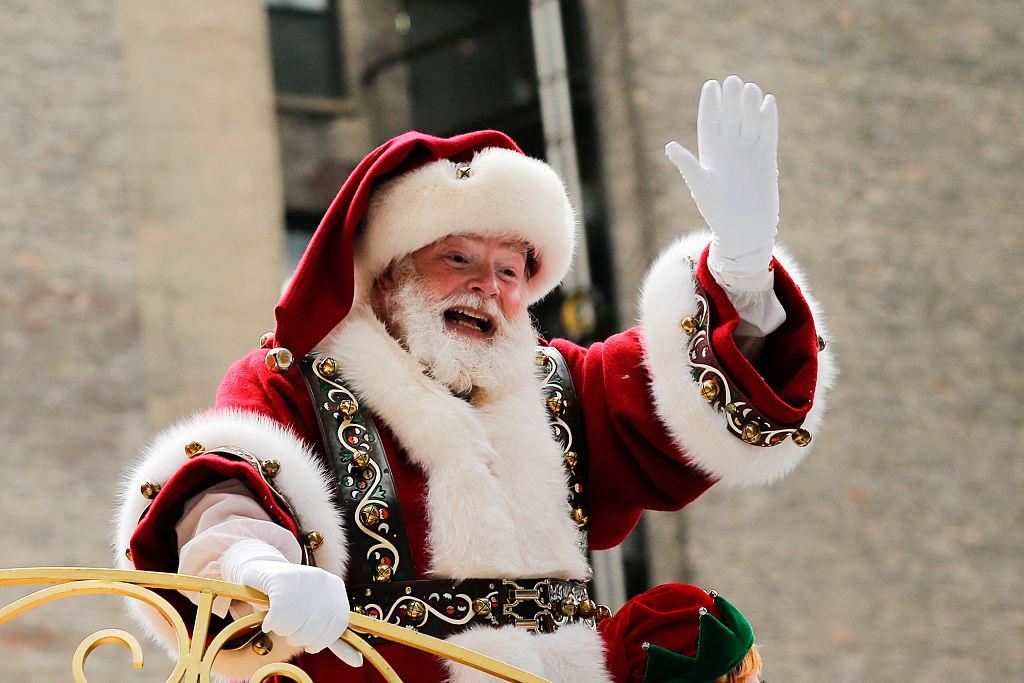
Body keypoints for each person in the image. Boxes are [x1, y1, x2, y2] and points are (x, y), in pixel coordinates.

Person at [114, 75, 833, 682]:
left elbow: (672, 393)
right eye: (457, 258)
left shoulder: (560, 386)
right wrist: (257, 566)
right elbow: (228, 482)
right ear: (392, 269)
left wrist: (740, 278)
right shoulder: (299, 380)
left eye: (512, 268)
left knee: (698, 633)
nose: (488, 286)